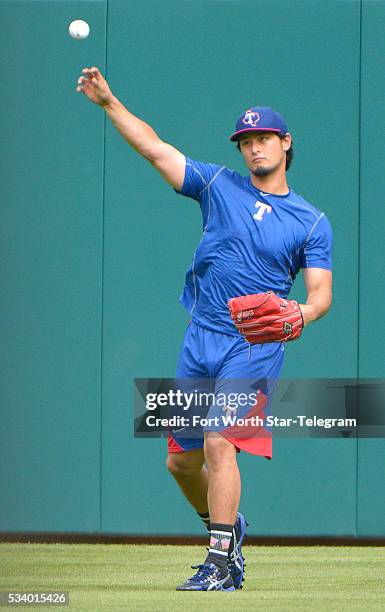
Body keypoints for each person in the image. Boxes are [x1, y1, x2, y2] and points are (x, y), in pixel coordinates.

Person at [77, 67, 333, 592]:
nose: (254, 147)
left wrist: (298, 314)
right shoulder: (218, 185)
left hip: (254, 343)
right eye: (246, 140)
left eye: (263, 138)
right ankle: (228, 530)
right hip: (201, 338)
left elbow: (321, 296)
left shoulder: (310, 221)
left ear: (285, 143)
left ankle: (221, 564)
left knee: (220, 441)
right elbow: (154, 149)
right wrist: (109, 103)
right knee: (180, 462)